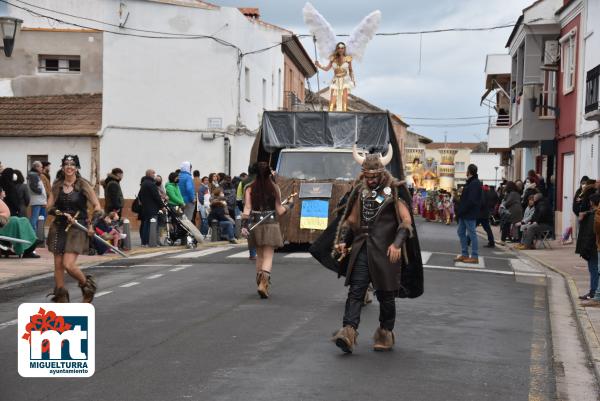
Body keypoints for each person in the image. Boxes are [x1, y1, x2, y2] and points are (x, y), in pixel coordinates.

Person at [322, 144, 423, 353]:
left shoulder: (394, 191)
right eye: (367, 176)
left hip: (387, 252)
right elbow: (351, 221)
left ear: (382, 173)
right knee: (356, 291)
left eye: (374, 176)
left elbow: (405, 222)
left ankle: (385, 332)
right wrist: (343, 240)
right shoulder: (361, 192)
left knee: (386, 295)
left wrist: (397, 244)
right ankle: (348, 332)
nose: (370, 180)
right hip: (362, 249)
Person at [46, 155, 102, 302]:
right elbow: (49, 207)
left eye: (72, 164)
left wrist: (92, 224)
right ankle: (61, 298)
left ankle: (87, 286)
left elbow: (97, 207)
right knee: (58, 265)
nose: (69, 167)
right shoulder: (57, 185)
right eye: (66, 164)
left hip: (77, 227)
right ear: (63, 167)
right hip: (59, 226)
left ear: (77, 168)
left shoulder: (83, 185)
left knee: (68, 265)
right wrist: (60, 213)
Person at [241, 161, 293, 299]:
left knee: (260, 255)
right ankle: (264, 284)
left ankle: (259, 282)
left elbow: (247, 208)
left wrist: (244, 225)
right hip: (271, 224)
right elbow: (280, 210)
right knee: (268, 256)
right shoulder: (274, 187)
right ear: (269, 173)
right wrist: (289, 206)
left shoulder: (249, 188)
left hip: (255, 224)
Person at [0, 186, 39, 258]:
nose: (4, 192)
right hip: (2, 222)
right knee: (16, 221)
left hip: (5, 220)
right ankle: (27, 247)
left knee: (24, 220)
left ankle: (31, 243)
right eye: (3, 191)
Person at [315, 42, 355, 111]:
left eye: (342, 48)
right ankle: (330, 113)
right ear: (337, 49)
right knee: (332, 98)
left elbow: (351, 70)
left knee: (344, 99)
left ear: (344, 49)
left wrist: (353, 80)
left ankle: (344, 113)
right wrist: (319, 65)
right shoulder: (333, 58)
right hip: (336, 80)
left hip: (345, 80)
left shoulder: (348, 59)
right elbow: (327, 69)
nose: (340, 50)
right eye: (339, 48)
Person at [455, 164, 482, 264]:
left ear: (469, 171)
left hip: (469, 213)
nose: (466, 172)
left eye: (466, 170)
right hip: (464, 213)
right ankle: (464, 254)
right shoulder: (471, 182)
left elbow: (471, 200)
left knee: (472, 234)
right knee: (461, 232)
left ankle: (474, 256)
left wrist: (462, 210)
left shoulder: (474, 183)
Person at [576, 194, 600, 301]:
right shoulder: (592, 214)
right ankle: (593, 292)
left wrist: (585, 249)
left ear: (591, 202)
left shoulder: (594, 216)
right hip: (594, 247)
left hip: (593, 248)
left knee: (594, 270)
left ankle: (593, 292)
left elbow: (590, 234)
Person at [138, 169, 163, 247]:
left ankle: (144, 242)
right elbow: (156, 197)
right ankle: (151, 242)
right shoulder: (151, 184)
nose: (155, 174)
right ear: (149, 174)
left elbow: (140, 196)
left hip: (145, 208)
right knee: (152, 226)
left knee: (146, 225)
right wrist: (162, 206)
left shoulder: (144, 183)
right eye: (153, 173)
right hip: (152, 208)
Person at [27, 161, 47, 229]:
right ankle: (33, 236)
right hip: (37, 201)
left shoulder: (34, 174)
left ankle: (38, 235)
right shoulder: (33, 175)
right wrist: (41, 191)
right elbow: (33, 187)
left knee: (40, 219)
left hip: (39, 201)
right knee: (34, 220)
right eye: (41, 167)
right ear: (36, 167)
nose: (42, 168)